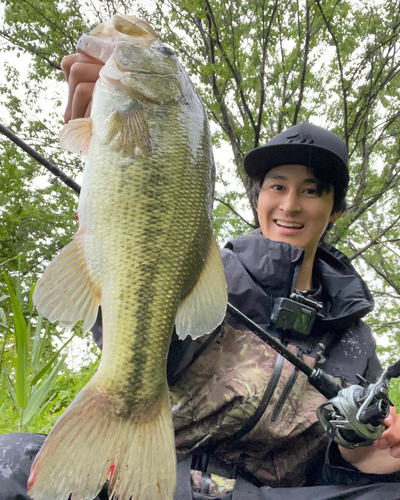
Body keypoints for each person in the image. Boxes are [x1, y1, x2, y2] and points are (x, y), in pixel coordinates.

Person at [1, 53, 400, 500]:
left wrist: (365, 457)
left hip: (270, 497)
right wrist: (110, 179)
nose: (290, 205)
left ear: (336, 209)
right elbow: (129, 323)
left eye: (311, 190)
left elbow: (341, 464)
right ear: (257, 199)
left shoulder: (354, 339)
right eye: (277, 185)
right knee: (6, 459)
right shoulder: (211, 269)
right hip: (166, 474)